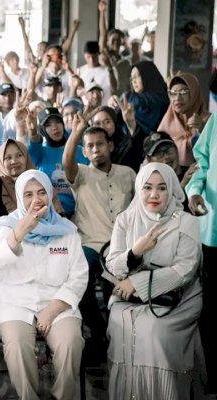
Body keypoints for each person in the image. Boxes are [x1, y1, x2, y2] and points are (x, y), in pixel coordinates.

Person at [0, 170, 88, 400]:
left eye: (42, 192)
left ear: (50, 194)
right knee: (18, 343)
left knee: (71, 342)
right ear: (20, 198)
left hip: (57, 301)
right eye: (28, 194)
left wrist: (53, 309)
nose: (36, 199)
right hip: (12, 301)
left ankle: (62, 396)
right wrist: (21, 230)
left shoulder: (66, 230)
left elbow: (79, 275)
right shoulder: (5, 225)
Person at [106, 162, 203, 399]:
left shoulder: (186, 222)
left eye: (161, 188)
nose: (153, 195)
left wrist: (136, 283)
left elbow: (185, 270)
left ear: (171, 189)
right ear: (139, 189)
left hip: (180, 298)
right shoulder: (126, 219)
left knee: (154, 331)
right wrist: (135, 252)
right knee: (120, 323)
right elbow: (113, 264)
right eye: (147, 187)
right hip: (130, 298)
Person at [63, 119, 136, 365]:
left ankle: (116, 339)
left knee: (115, 289)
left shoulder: (128, 174)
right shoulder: (81, 173)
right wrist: (74, 134)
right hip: (90, 244)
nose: (95, 150)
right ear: (84, 151)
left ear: (111, 146)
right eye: (90, 146)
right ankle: (97, 330)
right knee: (78, 276)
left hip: (121, 247)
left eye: (100, 144)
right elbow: (67, 164)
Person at [186, 112, 217, 394]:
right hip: (214, 230)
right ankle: (215, 376)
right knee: (211, 309)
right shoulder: (216, 120)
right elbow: (202, 164)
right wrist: (195, 190)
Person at [158, 72, 210, 169]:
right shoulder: (167, 123)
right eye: (173, 93)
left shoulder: (209, 120)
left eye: (184, 92)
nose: (177, 98)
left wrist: (203, 130)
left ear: (194, 93)